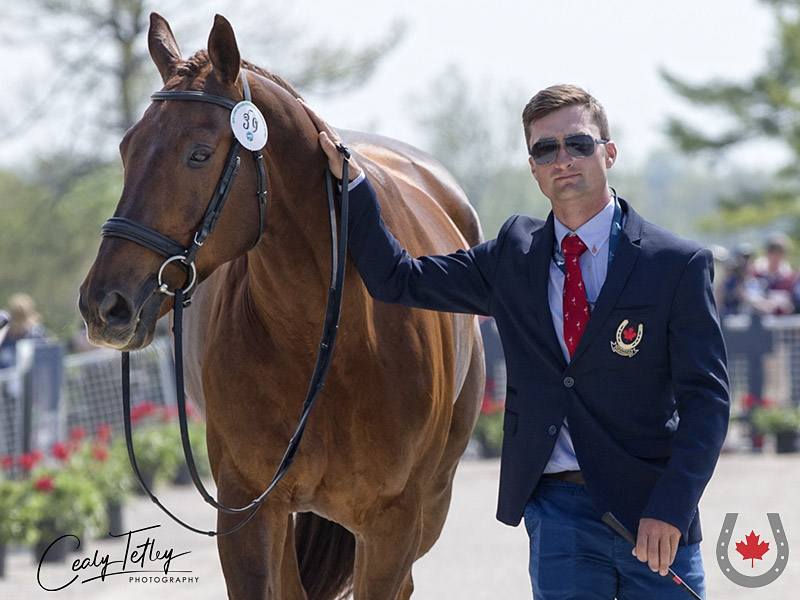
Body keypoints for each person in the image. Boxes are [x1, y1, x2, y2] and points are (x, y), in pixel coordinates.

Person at [301, 84, 729, 599]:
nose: (563, 159)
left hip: (654, 518)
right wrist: (354, 185)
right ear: (533, 167)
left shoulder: (676, 264)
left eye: (579, 144)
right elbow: (398, 279)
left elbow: (707, 403)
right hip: (559, 518)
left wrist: (672, 508)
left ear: (608, 153)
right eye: (545, 149)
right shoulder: (513, 254)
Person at [0, 293, 50, 369]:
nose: (16, 329)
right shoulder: (3, 333)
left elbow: (50, 357)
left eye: (20, 325)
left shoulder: (36, 335)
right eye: (14, 324)